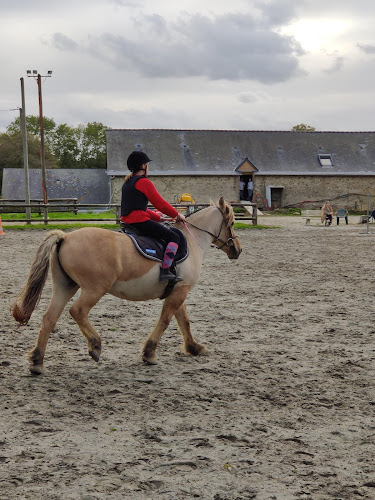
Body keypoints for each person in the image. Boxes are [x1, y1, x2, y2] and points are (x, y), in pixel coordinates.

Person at [121, 151, 186, 282]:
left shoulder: (127, 182)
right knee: (174, 236)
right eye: (147, 165)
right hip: (139, 222)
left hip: (127, 222)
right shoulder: (144, 182)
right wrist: (177, 214)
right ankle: (165, 270)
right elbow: (160, 203)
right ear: (143, 166)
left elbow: (139, 207)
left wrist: (159, 218)